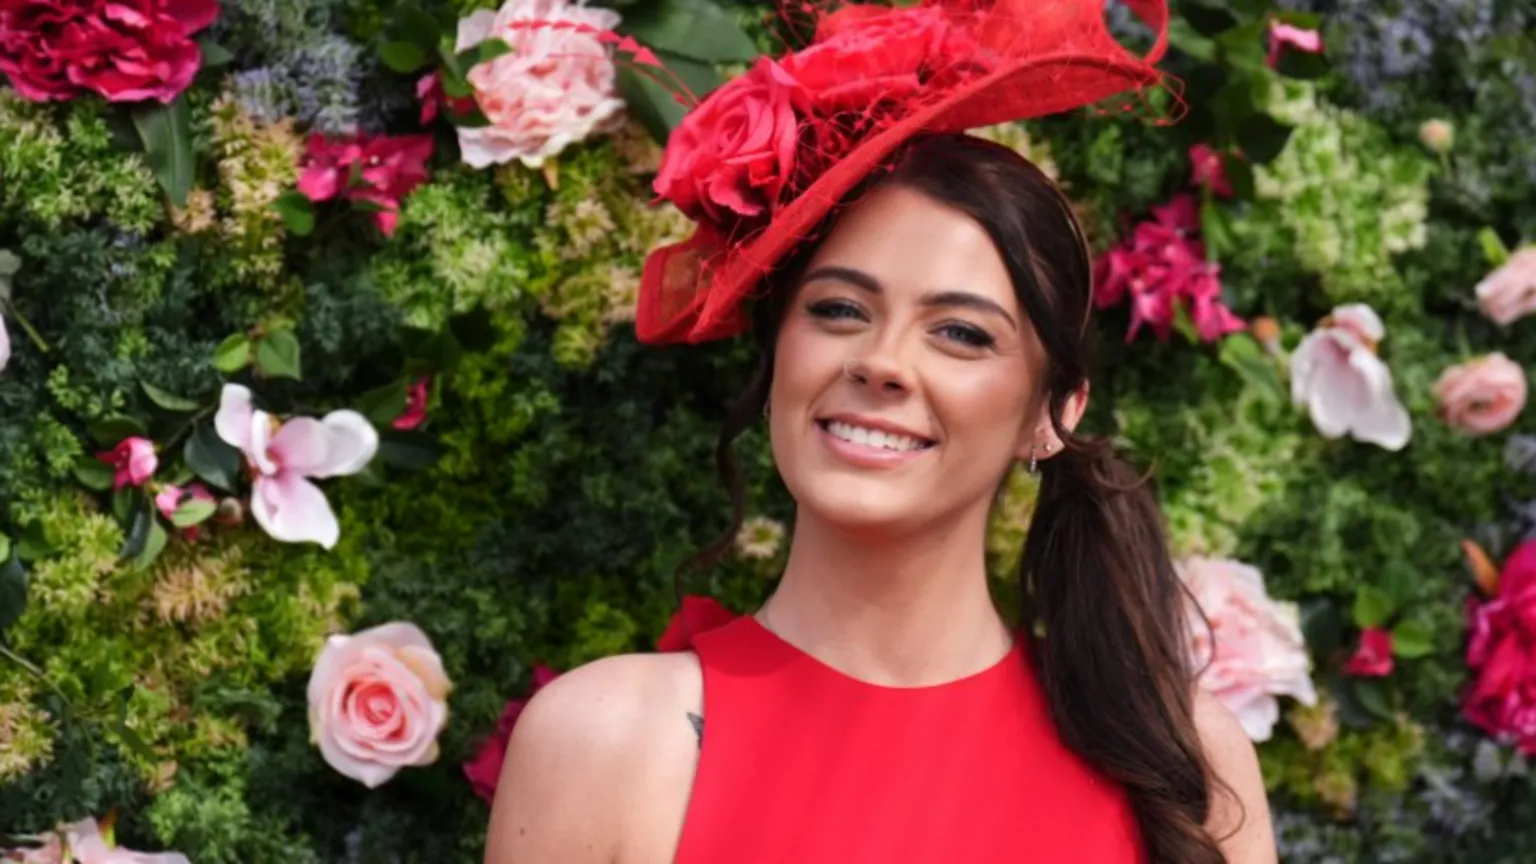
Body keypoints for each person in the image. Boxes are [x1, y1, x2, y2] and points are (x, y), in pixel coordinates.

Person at [485, 0, 1273, 861]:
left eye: (961, 333)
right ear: (779, 350)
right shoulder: (610, 743)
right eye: (839, 310)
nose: (883, 361)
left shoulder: (1180, 762)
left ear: (1053, 415)